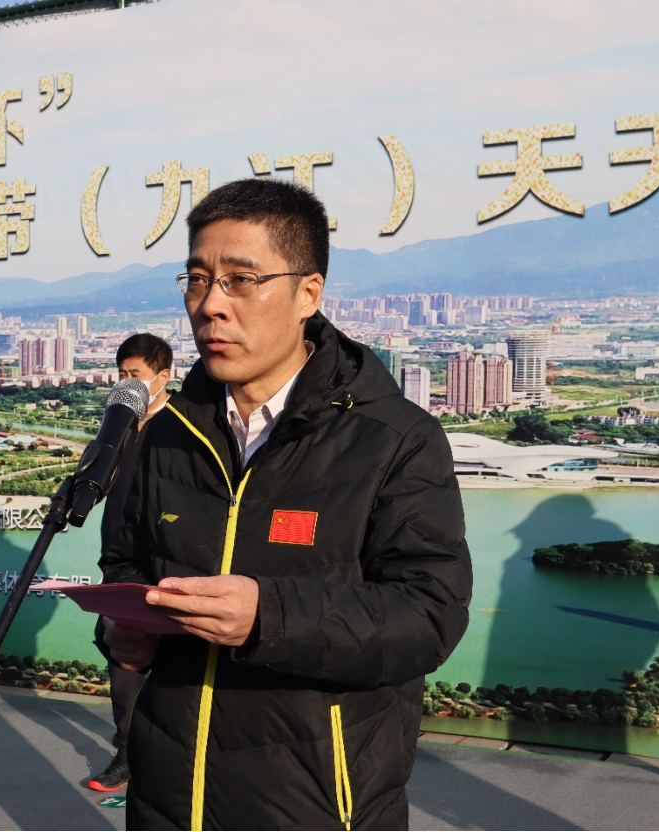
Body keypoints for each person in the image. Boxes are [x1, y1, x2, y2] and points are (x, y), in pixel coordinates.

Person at [97, 178, 472, 830]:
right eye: (196, 279)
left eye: (241, 280)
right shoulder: (166, 434)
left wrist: (268, 617)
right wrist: (123, 634)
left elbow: (428, 615)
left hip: (319, 806)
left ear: (308, 294)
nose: (210, 305)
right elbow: (125, 563)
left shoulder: (394, 439)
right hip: (167, 798)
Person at [87, 332, 173, 793]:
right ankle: (126, 754)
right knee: (122, 651)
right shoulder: (119, 423)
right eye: (121, 374)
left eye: (135, 375)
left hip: (169, 559)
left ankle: (169, 756)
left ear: (163, 376)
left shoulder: (183, 425)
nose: (127, 384)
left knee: (174, 660)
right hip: (119, 557)